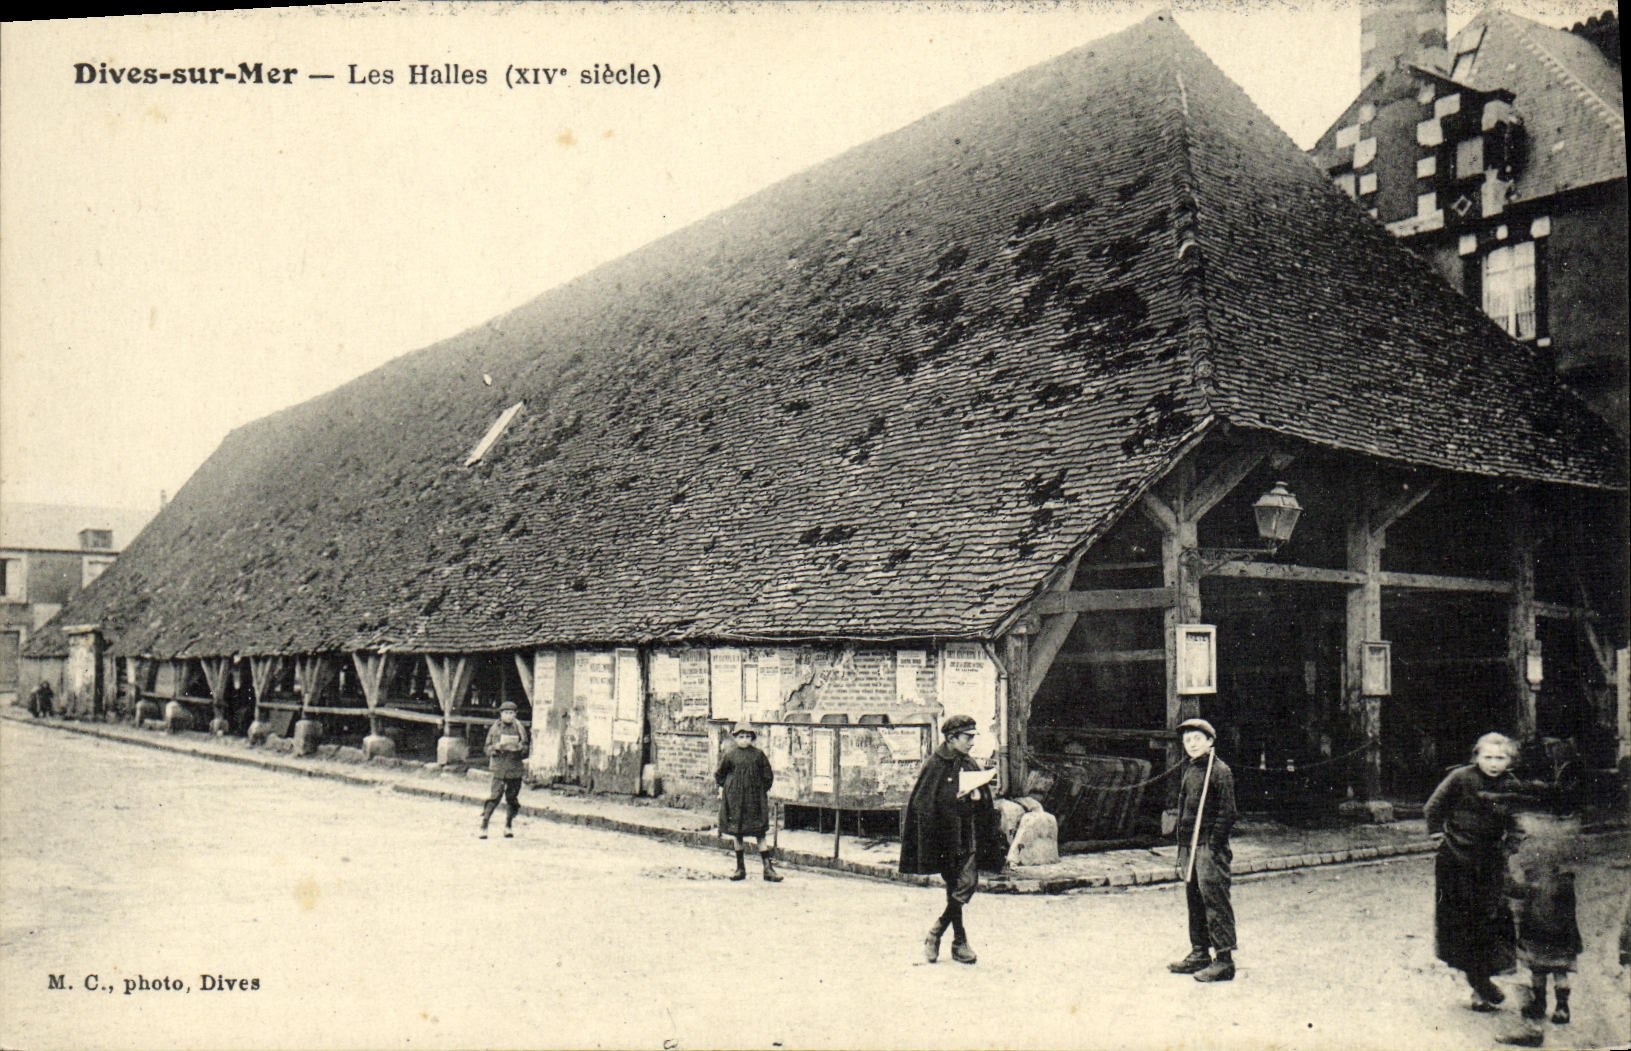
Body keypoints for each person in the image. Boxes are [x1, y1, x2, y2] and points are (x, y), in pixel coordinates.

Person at [1424, 731, 1521, 1010]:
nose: (1493, 763)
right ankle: (1480, 984)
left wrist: (1510, 846)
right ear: (1476, 756)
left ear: (1509, 760)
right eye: (1487, 757)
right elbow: (1433, 808)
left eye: (1500, 758)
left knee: (1490, 922)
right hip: (1455, 862)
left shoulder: (1511, 785)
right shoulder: (1461, 778)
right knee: (1461, 923)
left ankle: (1481, 985)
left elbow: (1517, 821)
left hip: (1490, 862)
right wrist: (1439, 837)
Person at [900, 713, 994, 964]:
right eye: (967, 737)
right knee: (954, 887)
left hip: (967, 834)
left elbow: (983, 797)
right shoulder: (935, 764)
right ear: (952, 739)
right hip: (945, 837)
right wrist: (953, 798)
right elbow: (923, 803)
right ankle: (959, 942)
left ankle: (936, 932)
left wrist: (977, 796)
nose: (971, 742)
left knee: (967, 882)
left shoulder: (969, 763)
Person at [1167, 718, 1239, 983]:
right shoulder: (1191, 770)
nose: (1192, 744)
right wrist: (1183, 844)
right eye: (1187, 740)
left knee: (1214, 900)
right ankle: (1199, 952)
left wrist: (1214, 843)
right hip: (1192, 846)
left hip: (1209, 846)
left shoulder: (1219, 771)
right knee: (1194, 898)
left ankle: (1224, 960)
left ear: (1210, 741)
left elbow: (1228, 812)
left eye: (1197, 738)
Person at [715, 723, 781, 882]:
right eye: (741, 737)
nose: (744, 740)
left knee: (759, 832)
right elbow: (720, 775)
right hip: (736, 800)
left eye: (747, 737)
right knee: (737, 832)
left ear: (752, 738)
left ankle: (767, 868)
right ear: (735, 738)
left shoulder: (758, 755)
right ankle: (740, 868)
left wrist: (757, 790)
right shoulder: (730, 755)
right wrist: (731, 788)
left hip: (754, 800)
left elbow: (768, 777)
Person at [479, 701, 529, 839]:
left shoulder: (520, 728)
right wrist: (496, 748)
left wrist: (520, 748)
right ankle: (484, 825)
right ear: (501, 714)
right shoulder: (495, 729)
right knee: (495, 796)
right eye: (506, 713)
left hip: (514, 767)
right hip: (500, 767)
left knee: (512, 798)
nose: (509, 716)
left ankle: (508, 825)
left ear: (515, 714)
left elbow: (526, 747)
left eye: (511, 713)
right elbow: (486, 748)